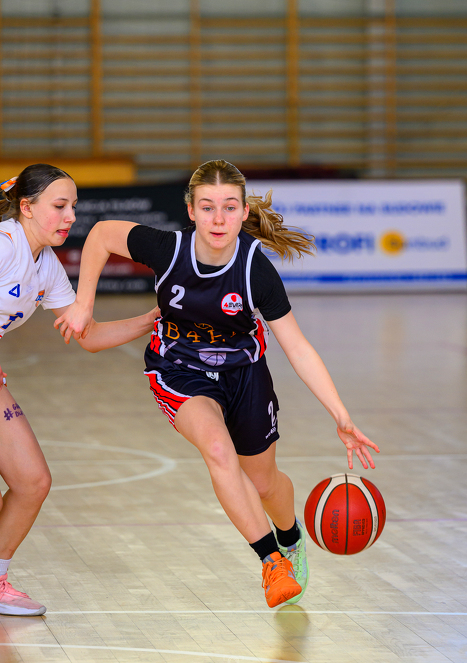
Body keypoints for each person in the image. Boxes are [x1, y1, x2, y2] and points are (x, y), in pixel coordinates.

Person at [55, 159, 380, 608]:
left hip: (245, 373)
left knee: (264, 484)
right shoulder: (167, 249)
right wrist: (83, 303)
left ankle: (290, 538)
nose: (218, 219)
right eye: (207, 207)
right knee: (218, 450)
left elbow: (298, 348)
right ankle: (271, 562)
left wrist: (340, 415)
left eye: (229, 207)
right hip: (179, 370)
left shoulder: (256, 271)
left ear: (244, 212)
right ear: (191, 211)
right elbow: (101, 234)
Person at [0, 163, 159, 616]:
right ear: (26, 208)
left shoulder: (46, 266)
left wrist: (155, 317)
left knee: (32, 482)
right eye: (59, 206)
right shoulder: (4, 245)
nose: (70, 216)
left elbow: (87, 336)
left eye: (73, 206)